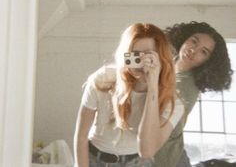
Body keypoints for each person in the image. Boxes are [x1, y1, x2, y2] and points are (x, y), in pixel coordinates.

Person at [83, 21, 233, 167]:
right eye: (194, 41)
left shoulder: (184, 89)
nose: (193, 50)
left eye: (203, 52)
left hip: (164, 157)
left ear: (207, 61)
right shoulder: (170, 63)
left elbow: (154, 122)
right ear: (184, 38)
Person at [73, 23, 185, 167]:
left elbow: (147, 151)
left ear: (161, 58)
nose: (140, 63)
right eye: (135, 55)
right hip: (93, 157)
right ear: (124, 56)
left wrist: (152, 88)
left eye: (149, 56)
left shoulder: (173, 103)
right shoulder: (103, 78)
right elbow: (81, 136)